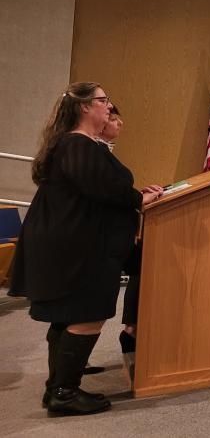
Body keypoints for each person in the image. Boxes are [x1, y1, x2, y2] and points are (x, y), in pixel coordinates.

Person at [8, 83, 163, 416]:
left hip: (76, 241)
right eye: (103, 100)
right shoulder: (77, 144)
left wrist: (135, 196)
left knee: (69, 315)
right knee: (86, 312)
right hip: (78, 245)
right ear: (84, 108)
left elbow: (99, 187)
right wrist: (139, 198)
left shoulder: (80, 145)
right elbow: (100, 188)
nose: (109, 106)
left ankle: (59, 388)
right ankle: (64, 392)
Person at [97, 105, 140, 383]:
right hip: (100, 237)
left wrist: (137, 195)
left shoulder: (102, 151)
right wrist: (136, 198)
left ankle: (133, 330)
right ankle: (132, 331)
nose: (119, 122)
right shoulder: (88, 150)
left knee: (144, 260)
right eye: (112, 117)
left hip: (112, 232)